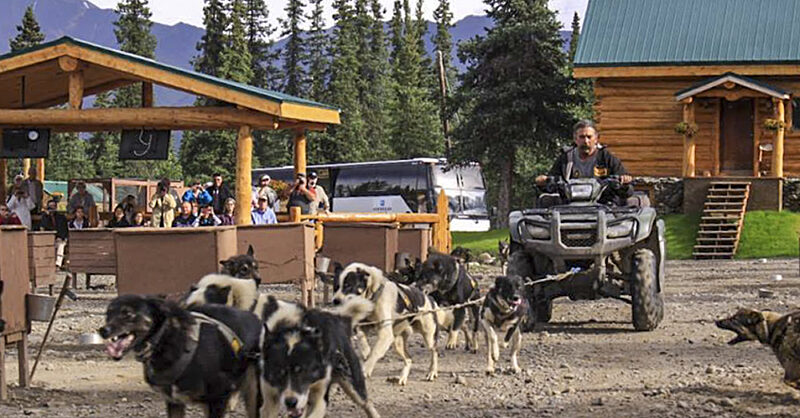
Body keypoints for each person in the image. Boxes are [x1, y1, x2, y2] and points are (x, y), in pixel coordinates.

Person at [40, 199, 69, 268]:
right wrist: (47, 216)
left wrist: (61, 237)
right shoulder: (45, 217)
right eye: (50, 206)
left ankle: (57, 264)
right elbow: (43, 226)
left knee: (60, 245)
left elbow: (64, 229)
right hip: (48, 238)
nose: (51, 208)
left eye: (53, 206)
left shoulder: (61, 217)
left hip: (60, 238)